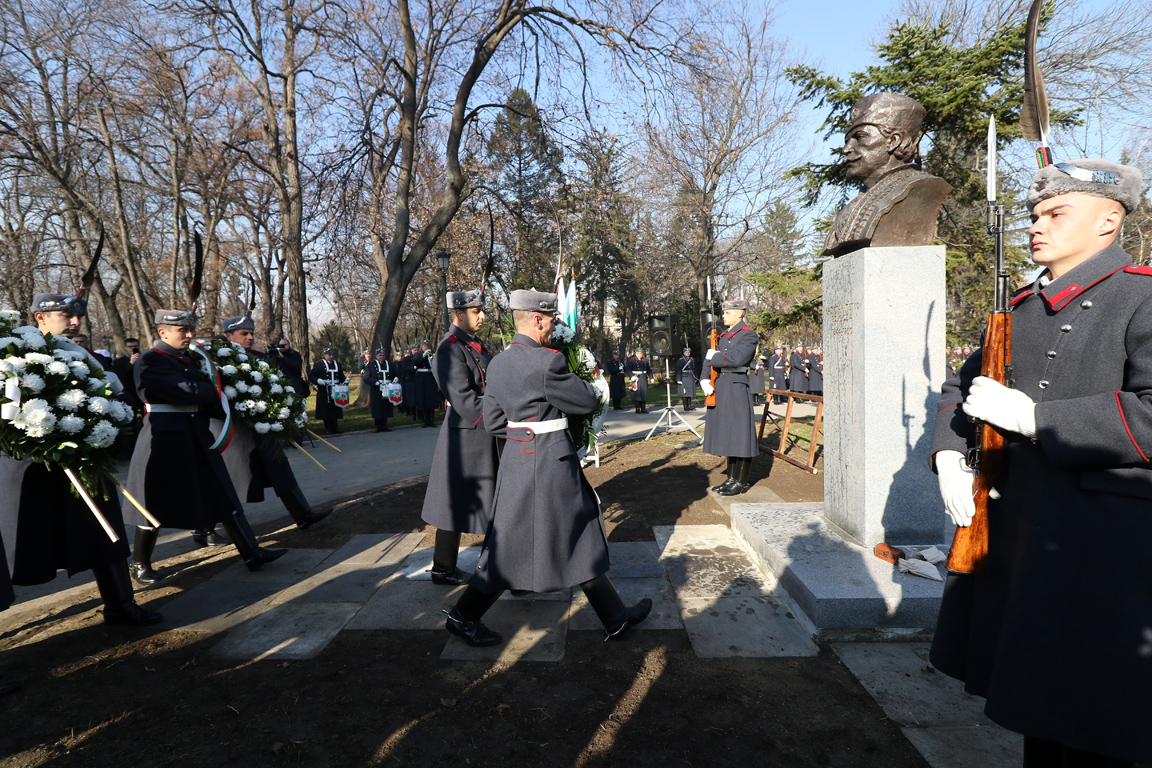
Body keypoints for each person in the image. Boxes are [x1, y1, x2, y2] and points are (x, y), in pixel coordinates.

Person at [931, 158, 1151, 767]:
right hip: (1025, 539)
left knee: (1103, 719)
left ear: (1109, 220)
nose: (1036, 225)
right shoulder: (1024, 307)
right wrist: (951, 453)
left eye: (1056, 212)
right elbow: (962, 384)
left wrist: (1036, 419)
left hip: (1106, 548)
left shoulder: (1143, 297)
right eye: (1033, 214)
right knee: (1042, 716)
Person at [444, 289, 651, 646]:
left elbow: (492, 421)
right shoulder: (547, 362)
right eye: (551, 320)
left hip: (517, 461)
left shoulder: (499, 363)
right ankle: (461, 617)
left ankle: (615, 618)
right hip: (551, 465)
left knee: (552, 536)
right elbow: (586, 401)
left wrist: (524, 430)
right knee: (539, 540)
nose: (554, 327)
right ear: (537, 320)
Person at [0, 293, 161, 626]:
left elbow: (115, 394)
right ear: (39, 317)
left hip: (84, 456)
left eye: (76, 316)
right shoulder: (10, 351)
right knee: (16, 545)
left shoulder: (82, 354)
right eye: (64, 315)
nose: (74, 322)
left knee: (104, 529)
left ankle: (120, 603)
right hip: (27, 464)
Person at [123, 309, 287, 581]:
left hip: (195, 433)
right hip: (164, 438)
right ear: (163, 333)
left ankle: (251, 552)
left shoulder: (190, 358)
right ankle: (140, 563)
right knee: (154, 501)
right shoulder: (151, 360)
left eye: (190, 330)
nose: (189, 335)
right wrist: (218, 390)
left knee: (222, 492)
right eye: (182, 331)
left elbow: (201, 388)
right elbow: (184, 390)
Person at [197, 315, 328, 546]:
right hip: (232, 429)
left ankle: (303, 515)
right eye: (243, 334)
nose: (249, 337)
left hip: (259, 426)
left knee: (280, 469)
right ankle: (205, 529)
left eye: (251, 333)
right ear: (228, 336)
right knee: (231, 481)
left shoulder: (258, 358)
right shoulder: (212, 360)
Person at [421, 289, 500, 585]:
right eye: (476, 311)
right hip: (466, 438)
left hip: (483, 435)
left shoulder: (476, 345)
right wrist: (500, 419)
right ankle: (443, 568)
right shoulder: (449, 348)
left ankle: (497, 565)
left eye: (482, 310)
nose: (482, 316)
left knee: (494, 502)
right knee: (452, 504)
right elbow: (465, 399)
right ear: (458, 314)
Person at [702, 299, 759, 496]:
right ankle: (731, 479)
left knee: (740, 435)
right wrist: (703, 378)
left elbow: (737, 359)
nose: (723, 315)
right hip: (721, 387)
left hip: (736, 386)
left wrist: (714, 357)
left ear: (739, 314)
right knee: (729, 433)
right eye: (723, 312)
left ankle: (741, 482)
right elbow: (708, 358)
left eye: (727, 312)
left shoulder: (748, 334)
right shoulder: (723, 335)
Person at [309, 347, 346, 435]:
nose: (331, 356)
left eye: (333, 355)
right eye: (329, 355)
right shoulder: (319, 365)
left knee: (335, 407)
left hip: (336, 388)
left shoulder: (337, 364)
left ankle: (335, 427)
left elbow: (341, 376)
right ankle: (328, 428)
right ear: (325, 355)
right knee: (326, 409)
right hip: (324, 389)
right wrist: (318, 380)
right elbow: (312, 376)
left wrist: (345, 380)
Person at [361, 348, 394, 432]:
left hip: (387, 388)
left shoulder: (389, 364)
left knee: (386, 406)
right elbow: (366, 378)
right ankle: (377, 425)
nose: (382, 357)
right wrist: (375, 382)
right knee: (377, 407)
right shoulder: (371, 365)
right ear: (376, 356)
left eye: (383, 355)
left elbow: (395, 373)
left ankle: (384, 424)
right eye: (380, 355)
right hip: (376, 389)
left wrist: (395, 379)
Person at [626, 349, 652, 413]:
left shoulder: (645, 360)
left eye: (641, 353)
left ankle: (643, 408)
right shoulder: (631, 360)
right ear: (635, 353)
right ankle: (637, 408)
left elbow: (648, 369)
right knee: (636, 393)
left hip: (643, 377)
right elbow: (628, 369)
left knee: (644, 392)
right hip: (635, 377)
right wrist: (631, 376)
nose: (640, 355)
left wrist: (651, 377)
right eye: (638, 353)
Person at [675, 347, 698, 411]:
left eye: (689, 352)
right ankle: (685, 406)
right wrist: (678, 379)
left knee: (690, 392)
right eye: (686, 352)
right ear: (684, 353)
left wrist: (696, 377)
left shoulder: (692, 359)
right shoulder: (681, 360)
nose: (688, 353)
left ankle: (690, 406)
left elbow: (694, 369)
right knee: (684, 392)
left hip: (691, 376)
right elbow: (678, 370)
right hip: (684, 377)